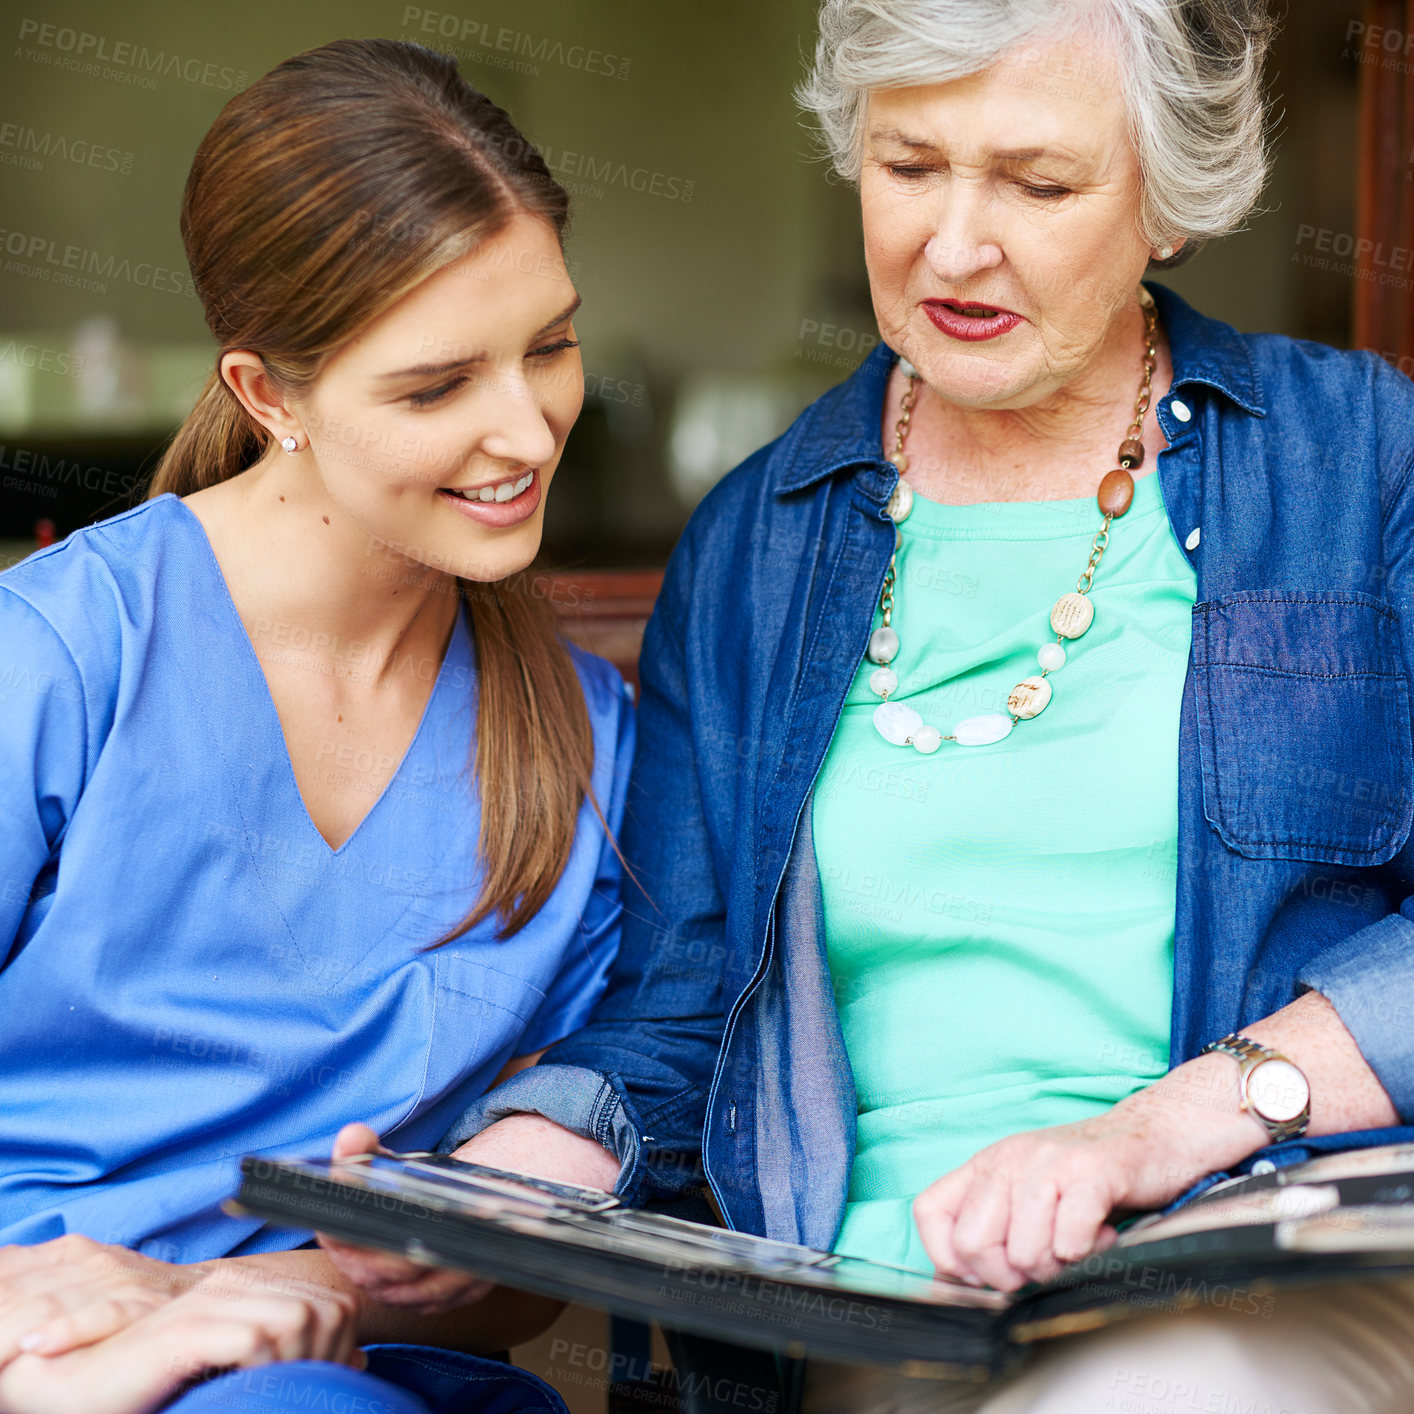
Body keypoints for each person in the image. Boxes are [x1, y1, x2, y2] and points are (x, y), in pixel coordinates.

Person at [323, 1, 1414, 1410]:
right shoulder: (757, 543)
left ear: (1167, 201)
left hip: (1247, 1262)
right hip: (864, 1315)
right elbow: (677, 1018)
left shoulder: (1357, 462)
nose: (952, 245)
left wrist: (1154, 1135)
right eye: (908, 167)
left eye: (1037, 183)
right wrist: (491, 1189)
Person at [0, 37, 632, 1414]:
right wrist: (100, 1342)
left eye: (551, 345)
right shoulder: (55, 661)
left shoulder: (583, 739)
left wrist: (416, 1270)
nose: (526, 431)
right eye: (435, 386)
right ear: (265, 394)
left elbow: (525, 1297)